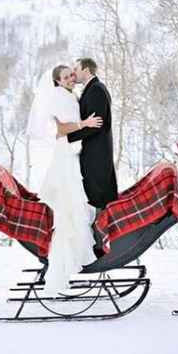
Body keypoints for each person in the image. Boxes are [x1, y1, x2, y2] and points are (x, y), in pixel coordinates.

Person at [27, 64, 102, 294]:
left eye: (72, 74)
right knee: (68, 208)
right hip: (65, 154)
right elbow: (60, 130)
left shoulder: (70, 95)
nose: (71, 78)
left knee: (74, 205)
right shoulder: (59, 97)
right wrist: (84, 124)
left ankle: (76, 256)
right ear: (58, 81)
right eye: (66, 76)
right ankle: (65, 263)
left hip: (72, 153)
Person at [68, 57, 117, 258]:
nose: (73, 73)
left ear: (86, 70)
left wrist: (69, 135)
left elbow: (96, 125)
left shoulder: (96, 89)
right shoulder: (91, 89)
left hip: (97, 155)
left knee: (97, 197)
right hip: (93, 153)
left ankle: (101, 246)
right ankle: (96, 243)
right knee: (94, 196)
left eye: (76, 69)